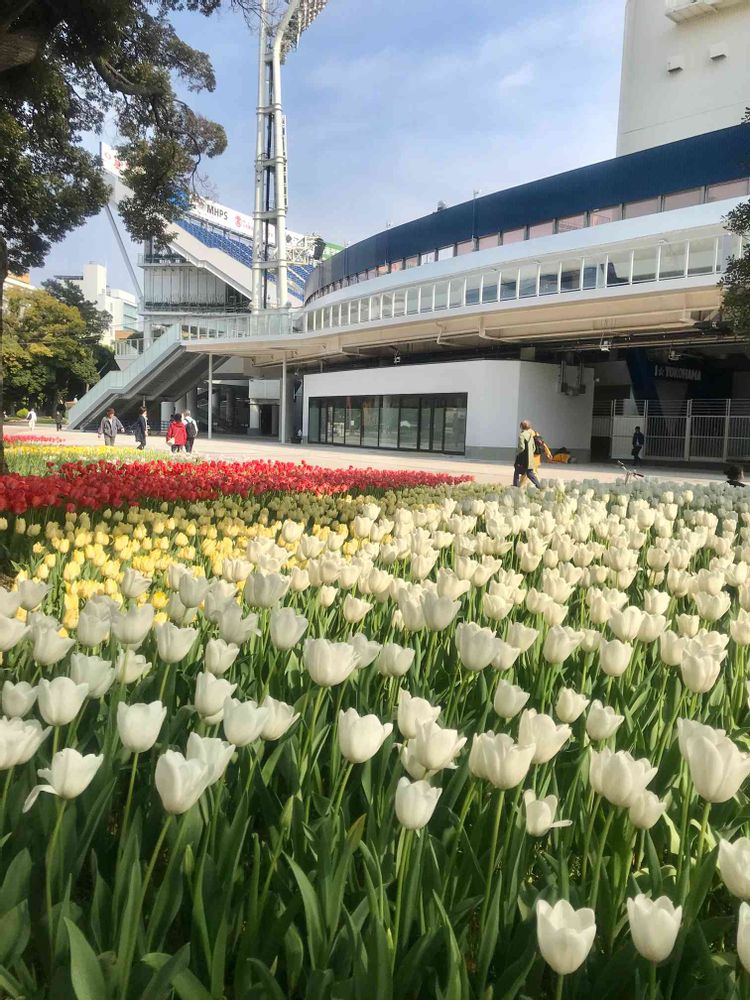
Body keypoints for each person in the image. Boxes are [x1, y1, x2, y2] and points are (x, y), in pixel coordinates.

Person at [513, 419, 542, 488]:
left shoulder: (522, 435)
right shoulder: (530, 435)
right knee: (530, 473)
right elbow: (534, 448)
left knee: (517, 471)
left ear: (521, 427)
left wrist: (517, 452)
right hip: (530, 459)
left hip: (522, 458)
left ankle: (515, 486)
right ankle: (539, 486)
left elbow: (522, 447)